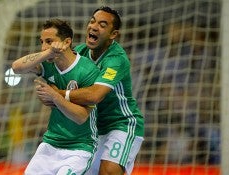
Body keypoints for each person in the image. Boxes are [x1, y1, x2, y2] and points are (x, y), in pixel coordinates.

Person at [35, 6, 145, 175]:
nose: (94, 26)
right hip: (93, 128)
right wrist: (47, 90)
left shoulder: (116, 59)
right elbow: (55, 76)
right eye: (92, 21)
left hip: (121, 124)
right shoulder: (79, 53)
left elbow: (94, 95)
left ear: (113, 34)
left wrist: (57, 94)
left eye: (102, 25)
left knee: (108, 171)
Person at [11, 18, 100, 175]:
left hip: (79, 149)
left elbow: (81, 117)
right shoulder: (48, 64)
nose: (44, 47)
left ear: (66, 42)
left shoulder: (87, 70)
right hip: (50, 145)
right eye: (42, 41)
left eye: (49, 41)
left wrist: (55, 96)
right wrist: (49, 51)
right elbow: (16, 68)